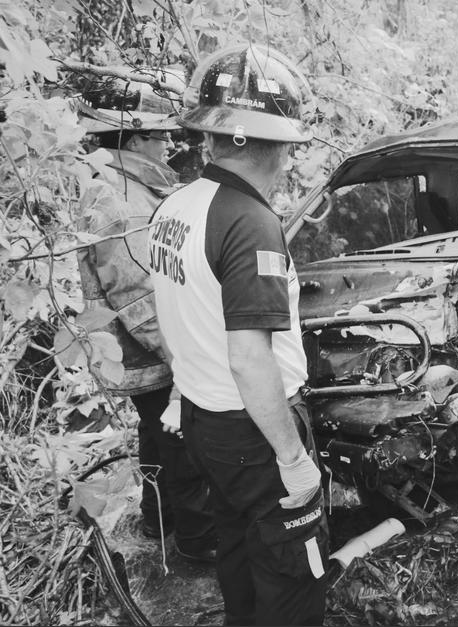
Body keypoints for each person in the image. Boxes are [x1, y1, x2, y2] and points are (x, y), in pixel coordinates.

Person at [148, 45, 328, 626]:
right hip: (252, 432)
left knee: (238, 545)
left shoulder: (176, 206)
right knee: (290, 567)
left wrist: (181, 393)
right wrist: (292, 455)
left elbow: (180, 315)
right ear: (262, 142)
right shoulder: (250, 223)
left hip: (205, 419)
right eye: (285, 143)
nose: (288, 158)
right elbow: (251, 359)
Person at [73, 74, 217, 564]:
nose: (171, 144)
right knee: (181, 442)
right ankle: (198, 542)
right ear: (133, 139)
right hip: (153, 350)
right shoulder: (117, 197)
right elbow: (136, 294)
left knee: (157, 435)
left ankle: (162, 522)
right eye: (161, 136)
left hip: (144, 352)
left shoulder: (128, 186)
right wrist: (182, 355)